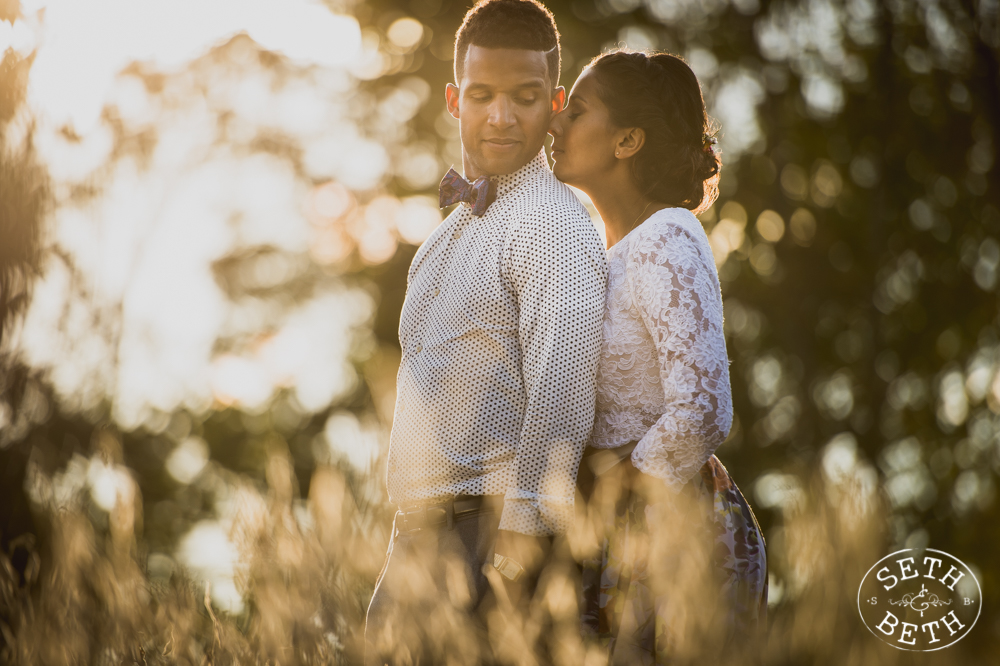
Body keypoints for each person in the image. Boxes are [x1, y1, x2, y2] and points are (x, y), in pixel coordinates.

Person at [364, 1, 608, 663]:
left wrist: (517, 553)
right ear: (454, 99)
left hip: (487, 539)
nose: (501, 117)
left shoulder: (552, 226)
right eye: (482, 95)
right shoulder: (444, 236)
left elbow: (563, 394)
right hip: (415, 539)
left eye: (525, 97)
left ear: (555, 103)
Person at [549, 50, 768, 663]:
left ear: (627, 140)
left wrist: (617, 486)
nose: (555, 121)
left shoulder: (668, 236)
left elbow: (702, 408)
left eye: (577, 109)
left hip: (674, 532)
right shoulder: (599, 256)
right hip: (615, 534)